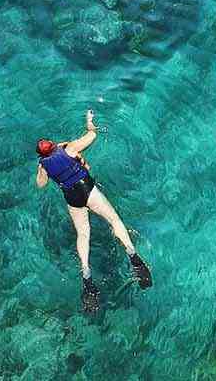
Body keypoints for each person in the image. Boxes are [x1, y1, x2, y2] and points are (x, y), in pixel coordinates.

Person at [36, 109, 152, 314]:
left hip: (72, 197)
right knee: (114, 220)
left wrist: (41, 166)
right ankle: (132, 254)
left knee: (83, 233)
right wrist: (89, 121)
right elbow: (92, 135)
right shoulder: (70, 149)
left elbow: (41, 184)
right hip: (87, 189)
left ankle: (87, 273)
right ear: (54, 145)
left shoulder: (44, 165)